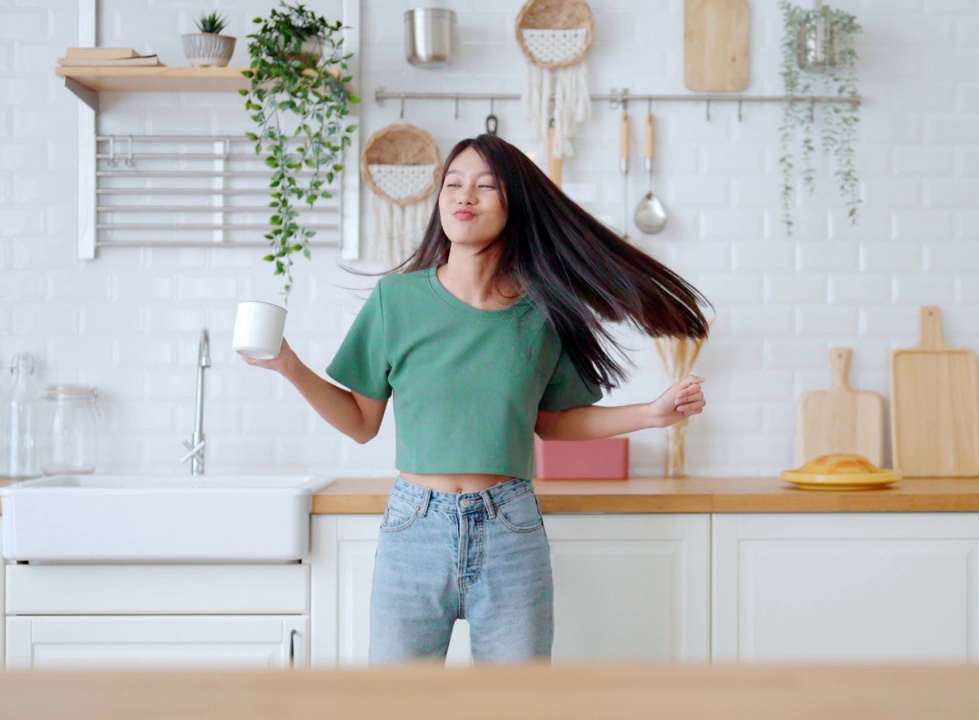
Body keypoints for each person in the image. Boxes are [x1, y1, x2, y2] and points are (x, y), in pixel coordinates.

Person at [243, 133, 712, 664]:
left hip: (511, 531)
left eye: (485, 186)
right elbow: (360, 423)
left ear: (515, 207)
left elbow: (555, 423)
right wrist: (289, 365)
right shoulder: (396, 300)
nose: (464, 196)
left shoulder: (541, 314)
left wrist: (651, 414)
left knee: (515, 707)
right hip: (413, 530)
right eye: (454, 183)